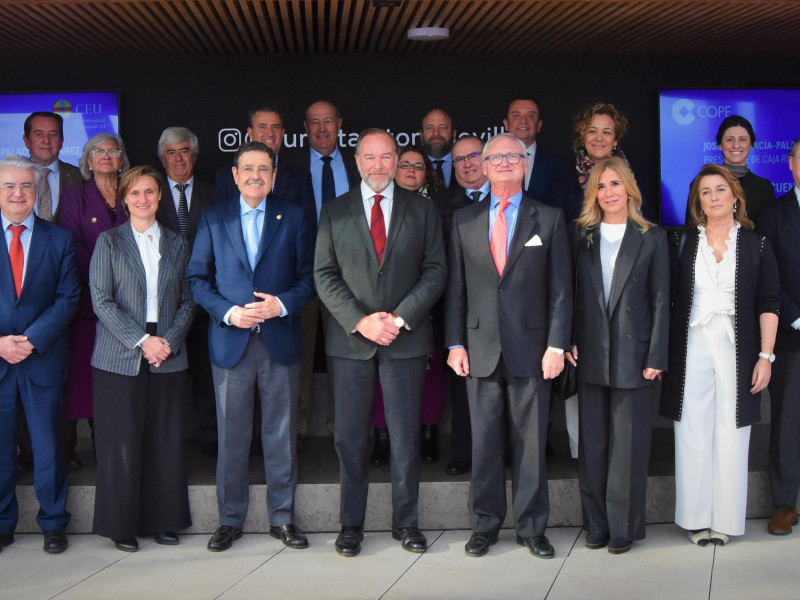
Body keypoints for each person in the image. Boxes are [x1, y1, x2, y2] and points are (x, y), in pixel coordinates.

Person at [314, 128, 446, 557]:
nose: (378, 166)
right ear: (357, 162)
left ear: (396, 160)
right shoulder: (335, 212)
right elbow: (324, 274)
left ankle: (406, 523)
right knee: (351, 438)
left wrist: (401, 317)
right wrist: (360, 321)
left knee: (405, 436)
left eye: (386, 157)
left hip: (405, 339)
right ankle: (350, 524)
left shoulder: (422, 209)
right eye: (369, 157)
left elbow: (435, 271)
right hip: (352, 341)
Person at [446, 133, 571, 559]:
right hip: (479, 348)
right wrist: (455, 343)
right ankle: (484, 526)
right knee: (484, 445)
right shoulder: (463, 220)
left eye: (512, 156)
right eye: (495, 157)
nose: (503, 163)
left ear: (525, 164)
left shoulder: (550, 218)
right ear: (481, 165)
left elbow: (561, 291)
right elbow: (456, 290)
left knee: (531, 446)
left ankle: (532, 528)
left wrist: (557, 344)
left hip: (534, 350)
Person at [187, 141, 315, 553]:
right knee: (232, 435)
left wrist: (282, 304)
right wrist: (228, 313)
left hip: (279, 339)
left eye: (264, 169)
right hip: (231, 341)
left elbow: (310, 276)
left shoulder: (293, 216)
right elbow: (197, 280)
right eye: (248, 169)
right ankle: (230, 519)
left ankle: (283, 518)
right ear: (235, 174)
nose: (256, 176)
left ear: (274, 175)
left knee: (280, 434)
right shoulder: (214, 218)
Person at [661, 164, 779, 546]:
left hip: (739, 345)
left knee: (733, 430)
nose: (713, 197)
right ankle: (696, 519)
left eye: (720, 189)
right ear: (698, 200)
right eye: (706, 192)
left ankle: (726, 521)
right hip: (691, 343)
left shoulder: (755, 242)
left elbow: (768, 302)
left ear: (735, 196)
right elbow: (667, 299)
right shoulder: (680, 241)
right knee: (691, 429)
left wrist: (766, 355)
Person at [567, 157, 669, 554]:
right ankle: (596, 524)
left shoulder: (652, 237)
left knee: (627, 448)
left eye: (614, 184)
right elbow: (570, 293)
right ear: (592, 193)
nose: (608, 192)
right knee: (593, 445)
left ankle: (622, 528)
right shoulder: (580, 234)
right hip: (589, 351)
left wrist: (657, 354)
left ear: (629, 187)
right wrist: (567, 338)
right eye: (600, 186)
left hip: (636, 353)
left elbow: (662, 301)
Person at [90, 165, 195, 552]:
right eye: (135, 193)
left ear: (160, 197)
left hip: (167, 351)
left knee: (164, 442)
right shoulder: (109, 242)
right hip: (120, 355)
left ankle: (164, 521)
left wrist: (166, 340)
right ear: (124, 198)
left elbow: (188, 299)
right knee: (121, 443)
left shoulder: (177, 243)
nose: (143, 199)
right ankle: (122, 526)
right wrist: (141, 340)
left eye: (149, 192)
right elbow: (102, 301)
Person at [0, 154, 80, 554]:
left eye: (27, 186)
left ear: (37, 191)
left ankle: (53, 523)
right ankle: (2, 523)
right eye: (9, 186)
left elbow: (68, 300)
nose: (18, 193)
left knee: (48, 446)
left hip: (42, 357)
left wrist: (29, 340)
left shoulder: (59, 238)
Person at [59, 133, 131, 470]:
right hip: (89, 304)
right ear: (87, 161)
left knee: (117, 383)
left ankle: (112, 447)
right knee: (83, 380)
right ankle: (71, 446)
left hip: (130, 304)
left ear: (121, 159)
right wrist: (105, 281)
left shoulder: (133, 194)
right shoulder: (74, 197)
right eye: (97, 151)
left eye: (112, 151)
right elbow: (72, 244)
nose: (105, 156)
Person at [370, 146, 445, 466]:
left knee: (433, 370)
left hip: (433, 302)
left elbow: (437, 264)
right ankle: (382, 434)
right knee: (379, 372)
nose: (412, 170)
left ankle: (428, 431)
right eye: (405, 164)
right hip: (383, 311)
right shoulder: (375, 207)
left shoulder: (438, 208)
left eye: (419, 165)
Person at [298, 100, 359, 442]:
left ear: (339, 124)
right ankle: (297, 433)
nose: (322, 129)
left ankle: (344, 433)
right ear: (305, 128)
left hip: (349, 279)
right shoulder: (289, 167)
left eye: (328, 122)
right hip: (304, 276)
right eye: (314, 123)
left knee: (345, 360)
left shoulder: (357, 164)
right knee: (300, 359)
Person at [156, 126, 217, 459]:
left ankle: (210, 436)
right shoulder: (151, 193)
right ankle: (170, 441)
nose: (178, 158)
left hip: (207, 297)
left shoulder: (214, 191)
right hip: (164, 300)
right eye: (171, 152)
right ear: (162, 158)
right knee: (169, 373)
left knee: (207, 371)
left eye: (184, 151)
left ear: (193, 156)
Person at [438, 135, 491, 477]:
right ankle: (463, 451)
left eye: (474, 155)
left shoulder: (511, 201)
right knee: (463, 382)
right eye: (459, 159)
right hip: (460, 308)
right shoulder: (441, 206)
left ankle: (504, 451)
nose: (468, 163)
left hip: (502, 308)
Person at [758, 137, 800, 535]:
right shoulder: (773, 215)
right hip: (792, 335)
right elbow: (769, 278)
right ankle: (786, 503)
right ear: (791, 164)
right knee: (788, 424)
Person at [568, 102, 653, 223]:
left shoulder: (637, 174)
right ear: (583, 137)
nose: (599, 138)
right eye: (592, 131)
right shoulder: (564, 176)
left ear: (615, 140)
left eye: (606, 132)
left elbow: (648, 222)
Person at [502, 94, 568, 210]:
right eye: (516, 116)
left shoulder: (559, 166)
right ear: (506, 124)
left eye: (531, 116)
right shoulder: (491, 162)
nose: (523, 121)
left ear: (539, 125)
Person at [712, 115, 775, 226]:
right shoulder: (703, 184)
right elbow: (692, 230)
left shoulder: (764, 188)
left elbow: (769, 234)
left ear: (750, 144)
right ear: (720, 145)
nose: (736, 145)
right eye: (729, 140)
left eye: (743, 140)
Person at [22, 111, 83, 222]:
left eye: (53, 134)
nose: (46, 140)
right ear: (26, 141)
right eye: (39, 134)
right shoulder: (7, 177)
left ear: (61, 142)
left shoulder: (80, 177)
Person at [420, 109, 456, 188]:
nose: (436, 133)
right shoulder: (413, 166)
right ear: (421, 135)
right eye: (429, 128)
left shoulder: (465, 164)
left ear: (454, 134)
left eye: (443, 127)